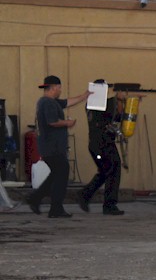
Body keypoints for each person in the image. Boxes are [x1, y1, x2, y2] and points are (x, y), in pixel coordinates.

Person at [27, 75, 92, 218]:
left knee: (56, 174)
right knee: (62, 173)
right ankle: (54, 208)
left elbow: (68, 102)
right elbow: (52, 122)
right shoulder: (47, 103)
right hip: (52, 146)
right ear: (54, 87)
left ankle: (36, 199)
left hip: (51, 146)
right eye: (59, 87)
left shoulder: (51, 102)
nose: (60, 90)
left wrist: (85, 95)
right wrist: (67, 123)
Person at [77, 79, 129, 215]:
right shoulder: (95, 103)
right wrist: (119, 100)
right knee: (111, 169)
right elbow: (107, 112)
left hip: (102, 143)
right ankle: (105, 203)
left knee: (107, 170)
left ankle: (87, 195)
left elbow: (112, 116)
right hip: (102, 143)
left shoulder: (95, 103)